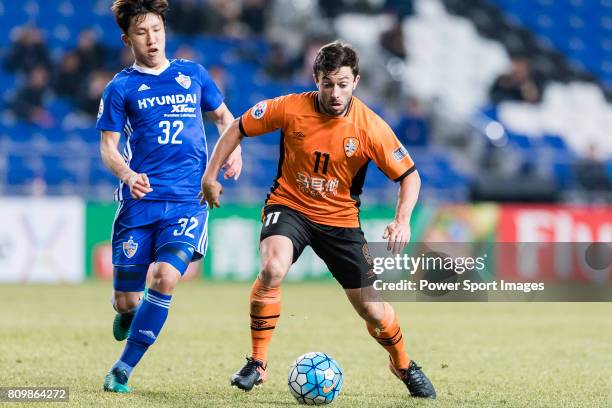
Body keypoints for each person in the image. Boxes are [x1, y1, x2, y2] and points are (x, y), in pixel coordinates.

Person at [201, 41, 436, 399]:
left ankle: (403, 364)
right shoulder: (291, 107)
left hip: (340, 221)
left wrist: (401, 220)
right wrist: (210, 175)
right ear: (316, 79)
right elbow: (237, 127)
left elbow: (410, 176)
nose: (335, 92)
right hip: (290, 205)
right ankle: (258, 363)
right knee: (272, 269)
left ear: (355, 81)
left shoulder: (371, 127)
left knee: (372, 310)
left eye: (343, 83)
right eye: (328, 83)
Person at [97, 0, 242, 393]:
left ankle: (122, 369)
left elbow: (226, 119)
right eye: (142, 32)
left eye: (157, 30)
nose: (152, 39)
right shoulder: (120, 87)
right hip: (139, 204)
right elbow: (109, 147)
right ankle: (127, 311)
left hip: (187, 202)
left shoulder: (192, 75)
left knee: (164, 278)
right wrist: (127, 174)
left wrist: (235, 150)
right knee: (128, 302)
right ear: (128, 39)